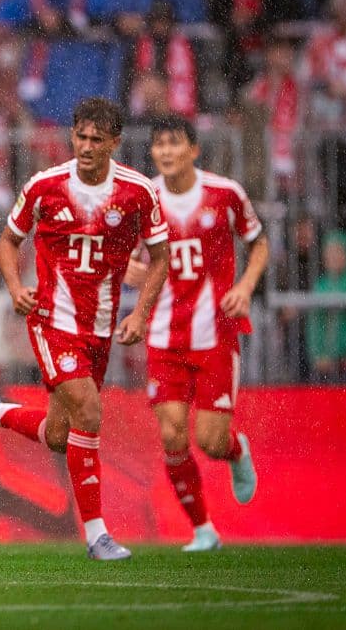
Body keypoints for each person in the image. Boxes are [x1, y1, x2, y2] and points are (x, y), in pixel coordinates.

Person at [0, 97, 170, 560]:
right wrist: (16, 288)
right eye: (81, 136)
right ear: (71, 136)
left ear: (115, 142)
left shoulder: (137, 192)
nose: (87, 146)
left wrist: (140, 314)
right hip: (53, 319)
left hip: (100, 327)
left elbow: (161, 258)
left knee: (60, 435)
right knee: (89, 414)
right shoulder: (44, 186)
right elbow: (7, 243)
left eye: (97, 139)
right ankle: (97, 535)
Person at [124, 115, 267, 552]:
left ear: (193, 150)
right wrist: (132, 274)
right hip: (164, 337)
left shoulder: (224, 194)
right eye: (159, 144)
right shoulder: (145, 200)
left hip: (214, 336)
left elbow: (258, 242)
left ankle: (235, 451)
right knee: (171, 436)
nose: (166, 151)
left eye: (174, 143)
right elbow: (129, 260)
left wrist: (244, 287)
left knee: (209, 441)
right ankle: (203, 530)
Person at [306, 230, 346, 383]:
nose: (332, 257)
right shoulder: (320, 286)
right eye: (329, 252)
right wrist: (318, 354)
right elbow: (314, 325)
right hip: (325, 362)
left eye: (337, 252)